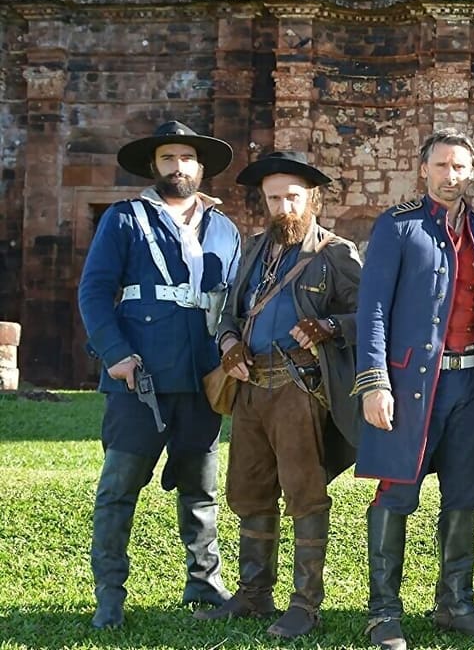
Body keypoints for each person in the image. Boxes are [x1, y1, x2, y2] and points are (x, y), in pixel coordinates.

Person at [353, 129, 474, 649]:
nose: (451, 176)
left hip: (472, 382)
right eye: (441, 166)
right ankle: (383, 613)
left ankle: (455, 604)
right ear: (424, 170)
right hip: (409, 384)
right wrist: (375, 381)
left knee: (466, 492)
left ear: (472, 172)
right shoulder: (397, 227)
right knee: (397, 491)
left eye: (460, 167)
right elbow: (373, 308)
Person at [78, 120, 241, 629]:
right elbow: (94, 291)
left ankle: (204, 580)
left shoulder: (225, 227)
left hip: (201, 377)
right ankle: (109, 594)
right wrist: (115, 353)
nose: (177, 167)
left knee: (201, 486)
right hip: (138, 376)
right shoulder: (125, 219)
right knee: (119, 487)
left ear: (199, 167)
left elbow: (234, 301)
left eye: (185, 158)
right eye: (168, 159)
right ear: (155, 166)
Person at [193, 151, 362, 637]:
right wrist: (228, 345)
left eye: (292, 196)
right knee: (248, 491)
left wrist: (329, 325)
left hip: (298, 388)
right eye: (274, 198)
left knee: (305, 495)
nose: (283, 206)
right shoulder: (251, 249)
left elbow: (370, 316)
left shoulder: (336, 252)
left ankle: (305, 605)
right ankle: (253, 595)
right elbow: (229, 313)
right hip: (249, 387)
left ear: (312, 198)